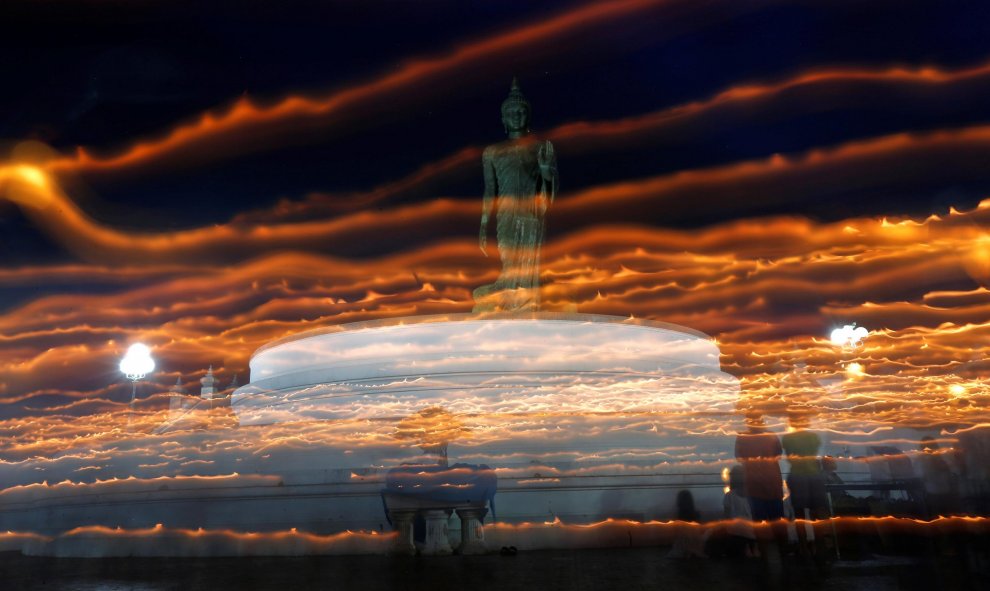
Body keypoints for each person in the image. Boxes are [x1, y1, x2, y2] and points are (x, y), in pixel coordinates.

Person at [474, 78, 558, 313]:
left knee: (526, 259)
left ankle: (525, 298)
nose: (517, 116)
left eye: (521, 111)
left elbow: (549, 185)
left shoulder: (540, 147)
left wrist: (545, 171)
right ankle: (508, 293)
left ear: (528, 116)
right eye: (511, 112)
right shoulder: (492, 151)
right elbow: (490, 190)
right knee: (508, 256)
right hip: (506, 212)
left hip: (530, 211)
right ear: (503, 118)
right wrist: (482, 224)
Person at [781, 413, 828, 555]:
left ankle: (803, 549)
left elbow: (790, 458)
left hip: (798, 476)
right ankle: (820, 547)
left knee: (800, 516)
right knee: (816, 514)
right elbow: (815, 455)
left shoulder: (787, 438)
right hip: (815, 476)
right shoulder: (814, 437)